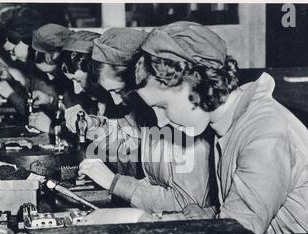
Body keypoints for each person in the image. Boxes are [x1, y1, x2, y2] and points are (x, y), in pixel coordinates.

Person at [134, 21, 308, 234]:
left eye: (162, 106)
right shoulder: (230, 123)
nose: (160, 122)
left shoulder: (263, 133)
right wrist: (208, 214)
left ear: (197, 84)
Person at [69, 27, 213, 216]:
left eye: (118, 91)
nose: (116, 101)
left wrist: (115, 182)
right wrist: (91, 126)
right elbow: (128, 145)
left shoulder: (181, 121)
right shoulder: (149, 115)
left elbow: (187, 203)